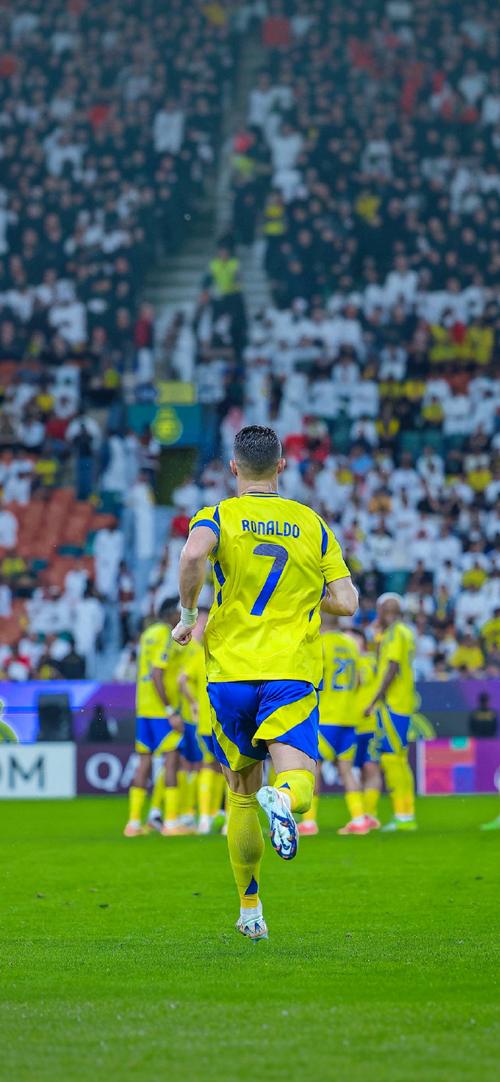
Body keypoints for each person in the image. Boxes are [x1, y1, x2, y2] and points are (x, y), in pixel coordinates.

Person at [172, 425, 357, 940]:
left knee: (241, 791)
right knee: (297, 781)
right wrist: (302, 602)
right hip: (288, 671)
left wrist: (188, 614)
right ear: (281, 466)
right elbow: (346, 601)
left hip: (230, 672)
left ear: (234, 468)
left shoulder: (217, 515)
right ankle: (287, 799)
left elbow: (191, 556)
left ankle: (250, 907)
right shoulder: (311, 522)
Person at [299, 618, 372, 837]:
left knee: (314, 769)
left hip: (326, 717)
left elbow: (311, 677)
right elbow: (358, 680)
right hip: (348, 718)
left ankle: (309, 822)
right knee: (347, 770)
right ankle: (358, 819)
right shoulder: (350, 645)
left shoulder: (318, 642)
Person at [123, 599, 185, 838]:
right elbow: (157, 673)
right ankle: (170, 822)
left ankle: (134, 823)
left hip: (144, 708)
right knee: (171, 761)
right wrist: (170, 710)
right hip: (160, 710)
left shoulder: (147, 633)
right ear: (170, 613)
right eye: (179, 612)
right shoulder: (165, 635)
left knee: (144, 763)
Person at [364, 594, 417, 832]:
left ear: (383, 610)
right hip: (402, 703)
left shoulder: (395, 633)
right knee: (400, 759)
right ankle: (406, 814)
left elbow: (392, 667)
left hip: (392, 704)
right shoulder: (401, 632)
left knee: (392, 758)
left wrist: (374, 700)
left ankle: (403, 817)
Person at [352, 630, 383, 829]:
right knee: (357, 771)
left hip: (370, 723)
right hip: (349, 724)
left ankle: (370, 814)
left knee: (370, 767)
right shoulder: (343, 661)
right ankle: (360, 814)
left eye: (354, 638)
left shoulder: (370, 661)